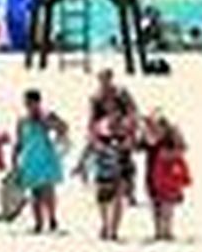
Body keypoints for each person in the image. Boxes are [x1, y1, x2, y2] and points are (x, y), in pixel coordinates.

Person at [13, 89, 71, 233]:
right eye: (27, 103)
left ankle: (52, 218)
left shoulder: (46, 116)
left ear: (38, 102)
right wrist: (14, 161)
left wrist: (50, 124)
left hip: (46, 157)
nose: (29, 106)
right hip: (30, 159)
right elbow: (19, 142)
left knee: (48, 190)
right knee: (35, 193)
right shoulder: (22, 121)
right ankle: (38, 223)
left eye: (31, 103)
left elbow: (64, 128)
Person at [76, 116, 138, 241]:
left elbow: (132, 145)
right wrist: (81, 164)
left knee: (118, 199)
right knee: (103, 200)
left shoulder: (126, 130)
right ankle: (105, 225)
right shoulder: (100, 130)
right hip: (104, 168)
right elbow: (90, 146)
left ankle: (113, 230)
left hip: (122, 167)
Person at [143, 110, 192, 241]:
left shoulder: (173, 136)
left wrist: (169, 154)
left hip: (168, 174)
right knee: (155, 203)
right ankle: (159, 231)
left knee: (168, 203)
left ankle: (167, 230)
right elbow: (143, 144)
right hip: (152, 173)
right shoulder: (149, 135)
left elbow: (182, 149)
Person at [87, 68, 138, 137]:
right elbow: (92, 118)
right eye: (102, 79)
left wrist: (130, 121)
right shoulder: (96, 97)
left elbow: (131, 108)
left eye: (107, 79)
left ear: (110, 78)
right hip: (105, 126)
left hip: (123, 122)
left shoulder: (121, 92)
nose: (105, 82)